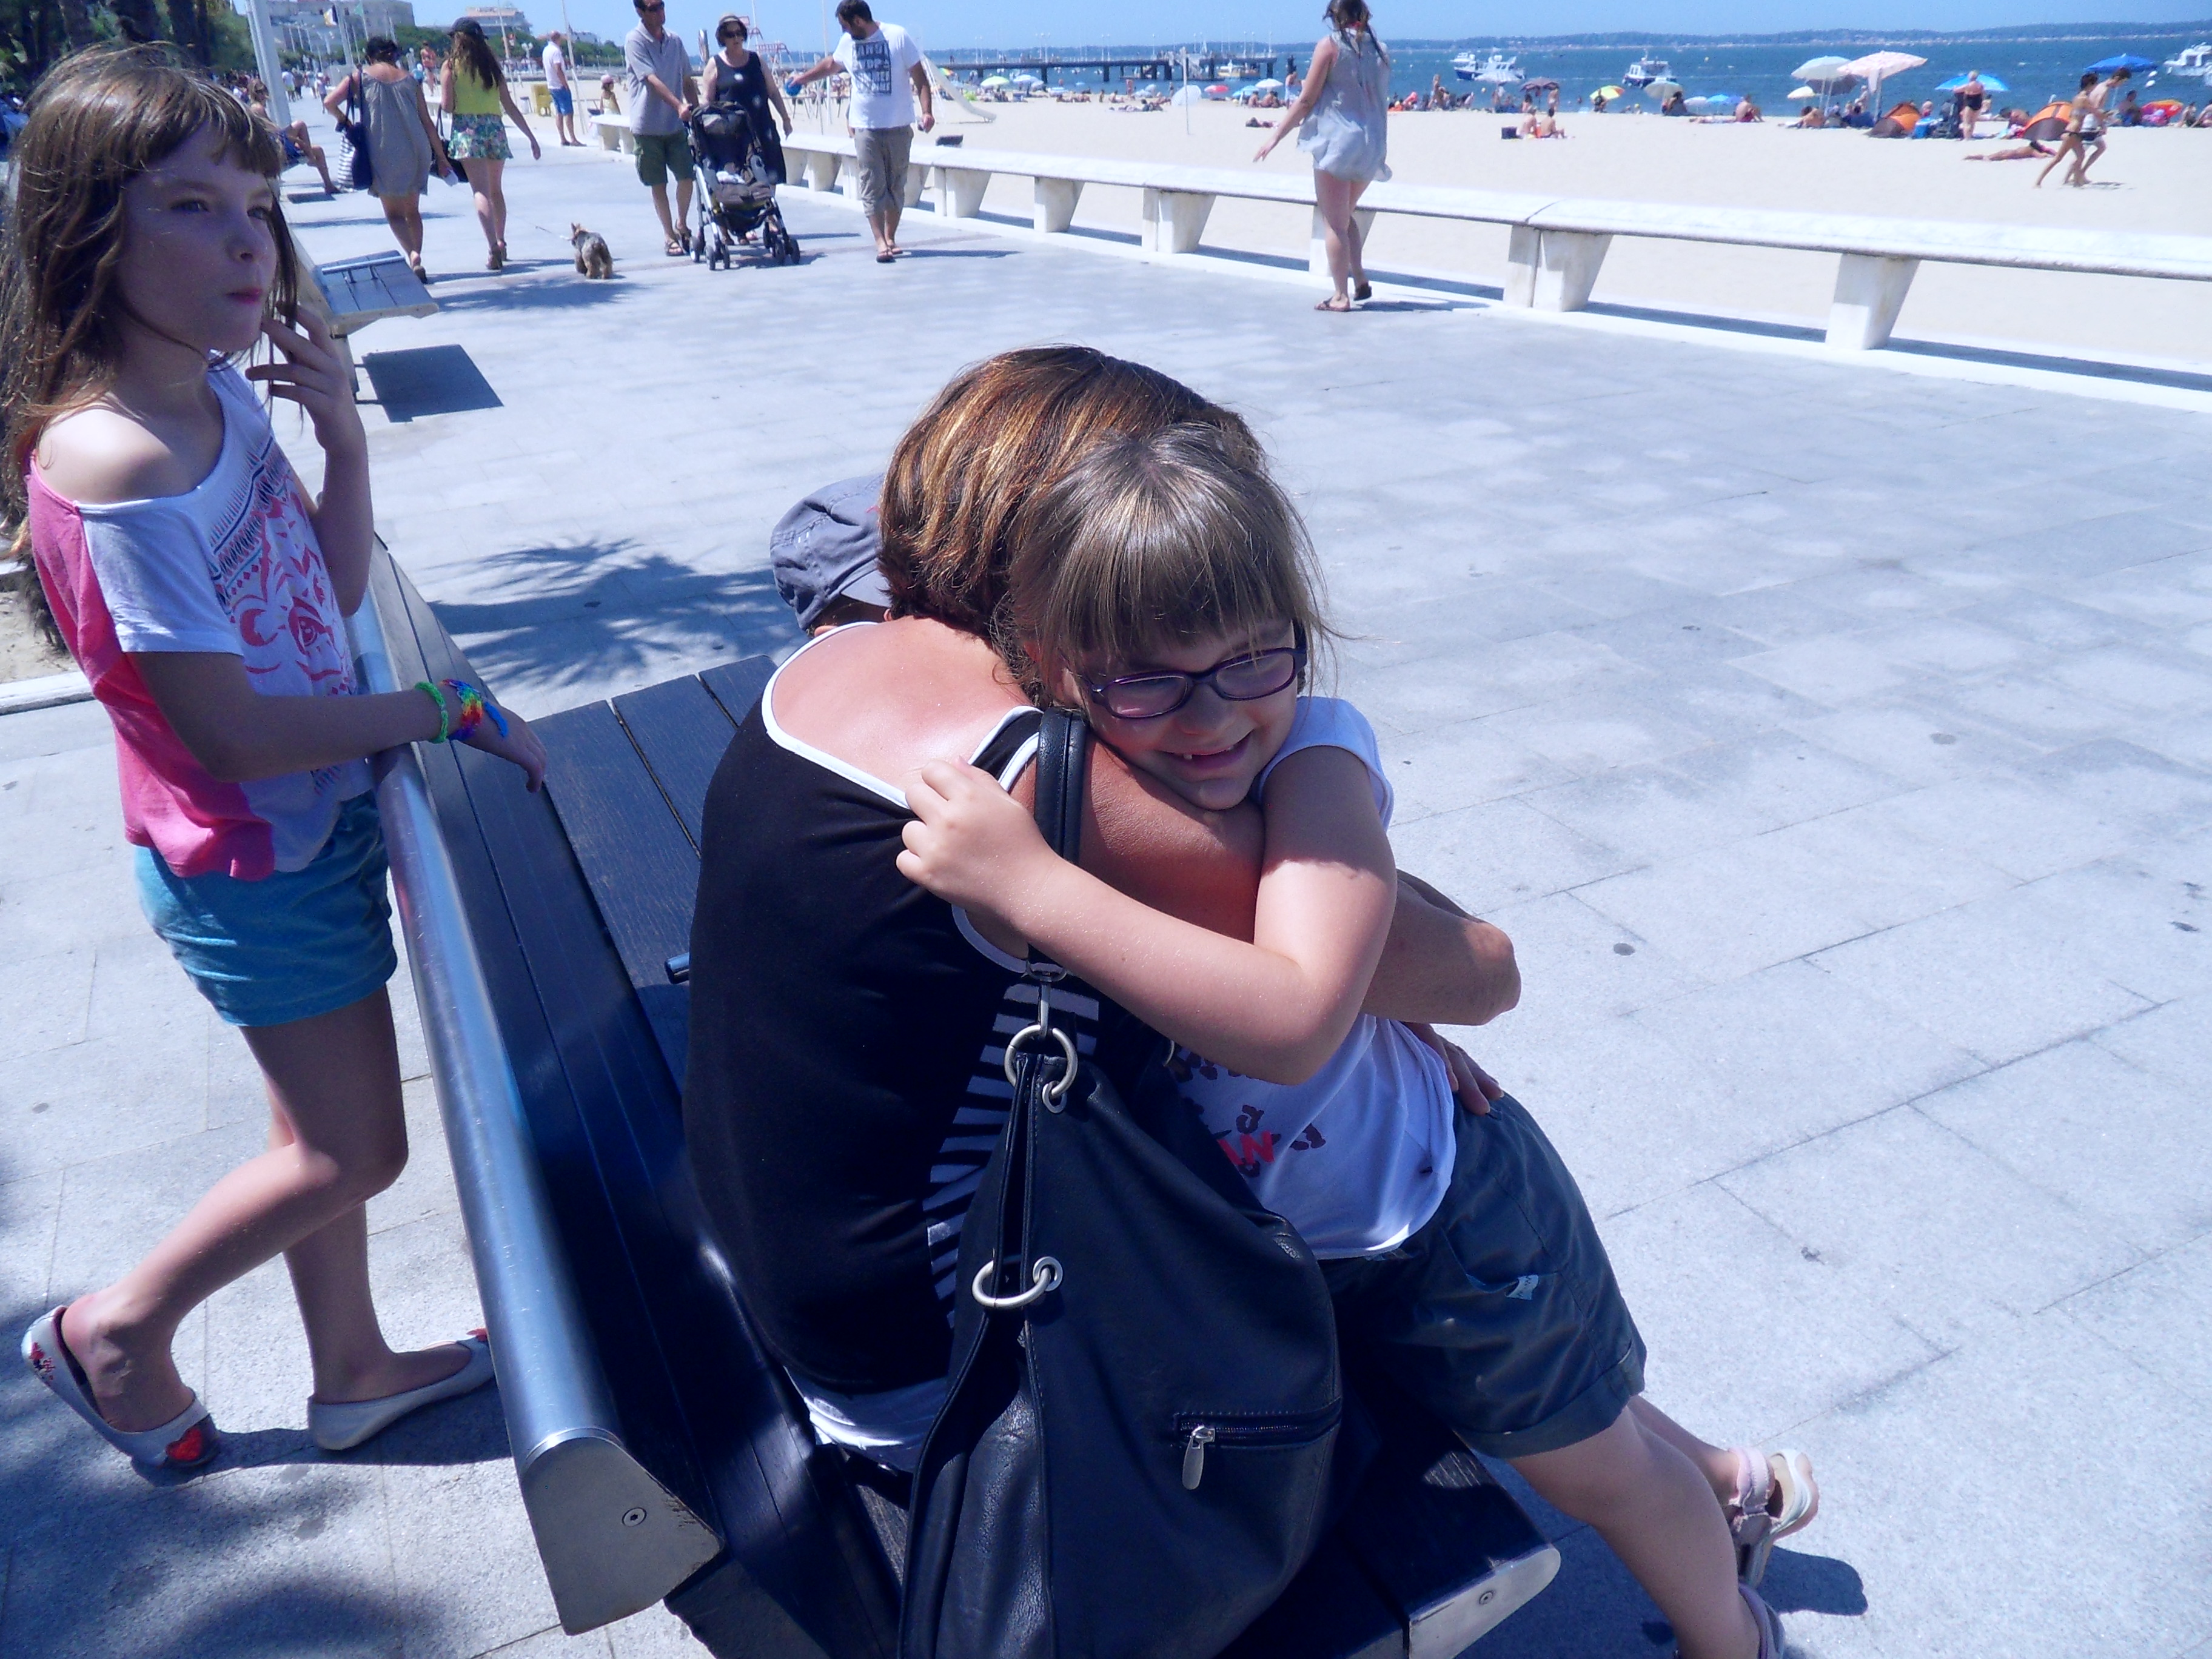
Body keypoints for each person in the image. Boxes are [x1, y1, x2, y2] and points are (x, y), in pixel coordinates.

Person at [895, 411, 1815, 1659]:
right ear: (1057, 667)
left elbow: (1291, 1020)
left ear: (1297, 634)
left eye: (1251, 661)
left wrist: (1030, 885)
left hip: (1446, 1219)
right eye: (1146, 679)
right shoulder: (1090, 774)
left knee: (1590, 1463)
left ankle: (1734, 1633)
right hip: (1309, 1240)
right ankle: (1734, 1483)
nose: (1209, 718)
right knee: (1559, 1411)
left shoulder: (1317, 761)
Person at [685, 346, 1518, 1482]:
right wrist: (1328, 799)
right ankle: (1621, 1459)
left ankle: (1677, 1466)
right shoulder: (1032, 768)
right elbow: (1476, 975)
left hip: (810, 1281)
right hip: (951, 1361)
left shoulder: (847, 651)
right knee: (1409, 1195)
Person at [3, 46, 545, 1471]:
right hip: (251, 858)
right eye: (193, 207)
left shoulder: (218, 398)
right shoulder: (118, 466)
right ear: (86, 231)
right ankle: (116, 1331)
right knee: (355, 1150)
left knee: (310, 1127)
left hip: (302, 822)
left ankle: (352, 1367)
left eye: (257, 205)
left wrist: (342, 436)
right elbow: (230, 731)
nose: (248, 242)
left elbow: (324, 588)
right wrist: (441, 710)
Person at [1255, 0, 1390, 313]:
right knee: (1345, 214)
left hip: (1338, 142)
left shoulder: (1330, 46)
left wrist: (1276, 136)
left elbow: (1306, 100)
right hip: (1372, 143)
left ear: (1334, 15)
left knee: (1334, 222)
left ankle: (1340, 295)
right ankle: (1360, 279)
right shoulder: (1380, 49)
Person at [788, 1, 934, 263]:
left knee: (896, 185)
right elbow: (830, 65)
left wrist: (927, 112)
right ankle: (880, 242)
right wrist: (802, 79)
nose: (843, 31)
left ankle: (890, 237)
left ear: (858, 21)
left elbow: (920, 78)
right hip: (865, 127)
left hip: (898, 126)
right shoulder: (848, 43)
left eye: (845, 25)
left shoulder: (897, 36)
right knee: (871, 183)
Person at [324, 38, 447, 283]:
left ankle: (412, 255)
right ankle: (417, 253)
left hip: (382, 150)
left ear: (369, 57)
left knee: (394, 213)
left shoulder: (360, 78)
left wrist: (346, 123)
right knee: (412, 211)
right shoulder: (410, 79)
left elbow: (329, 103)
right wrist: (442, 158)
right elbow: (427, 122)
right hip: (415, 149)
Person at [443, 18, 540, 270]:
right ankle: (501, 240)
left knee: (480, 192)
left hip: (467, 131)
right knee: (496, 190)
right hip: (494, 129)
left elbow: (447, 106)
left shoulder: (450, 67)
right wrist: (531, 137)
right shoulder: (492, 67)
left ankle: (492, 248)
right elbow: (509, 105)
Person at [625, 0, 700, 256]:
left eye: (661, 5)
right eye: (653, 8)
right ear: (640, 12)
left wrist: (696, 111)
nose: (660, 12)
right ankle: (669, 235)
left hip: (675, 126)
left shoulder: (675, 41)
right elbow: (651, 80)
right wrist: (679, 105)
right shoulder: (635, 41)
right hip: (648, 126)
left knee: (687, 176)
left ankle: (682, 223)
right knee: (658, 183)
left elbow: (687, 79)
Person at [699, 10, 793, 189]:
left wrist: (786, 119)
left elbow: (773, 92)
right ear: (722, 37)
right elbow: (707, 100)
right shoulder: (715, 64)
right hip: (733, 136)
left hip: (762, 129)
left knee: (769, 181)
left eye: (739, 33)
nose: (736, 38)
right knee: (742, 185)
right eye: (730, 34)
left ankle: (768, 206)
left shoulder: (757, 60)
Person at [247, 79, 340, 193]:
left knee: (318, 150)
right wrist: (296, 140)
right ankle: (312, 159)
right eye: (259, 92)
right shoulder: (258, 108)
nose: (262, 95)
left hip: (274, 145)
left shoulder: (254, 108)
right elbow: (272, 131)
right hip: (275, 148)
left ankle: (328, 185)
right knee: (300, 125)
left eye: (263, 91)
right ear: (253, 93)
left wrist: (297, 141)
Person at [543, 30, 581, 146]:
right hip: (559, 85)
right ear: (558, 39)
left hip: (551, 85)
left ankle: (563, 138)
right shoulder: (556, 51)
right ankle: (573, 138)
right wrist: (565, 84)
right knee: (568, 112)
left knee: (559, 112)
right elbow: (558, 68)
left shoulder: (546, 50)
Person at [1955, 69, 1986, 138]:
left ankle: (1967, 138)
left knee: (1966, 122)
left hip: (1969, 104)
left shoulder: (1967, 86)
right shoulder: (1981, 85)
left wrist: (1955, 87)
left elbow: (1956, 91)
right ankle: (1970, 136)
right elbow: (1983, 94)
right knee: (1973, 122)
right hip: (1978, 103)